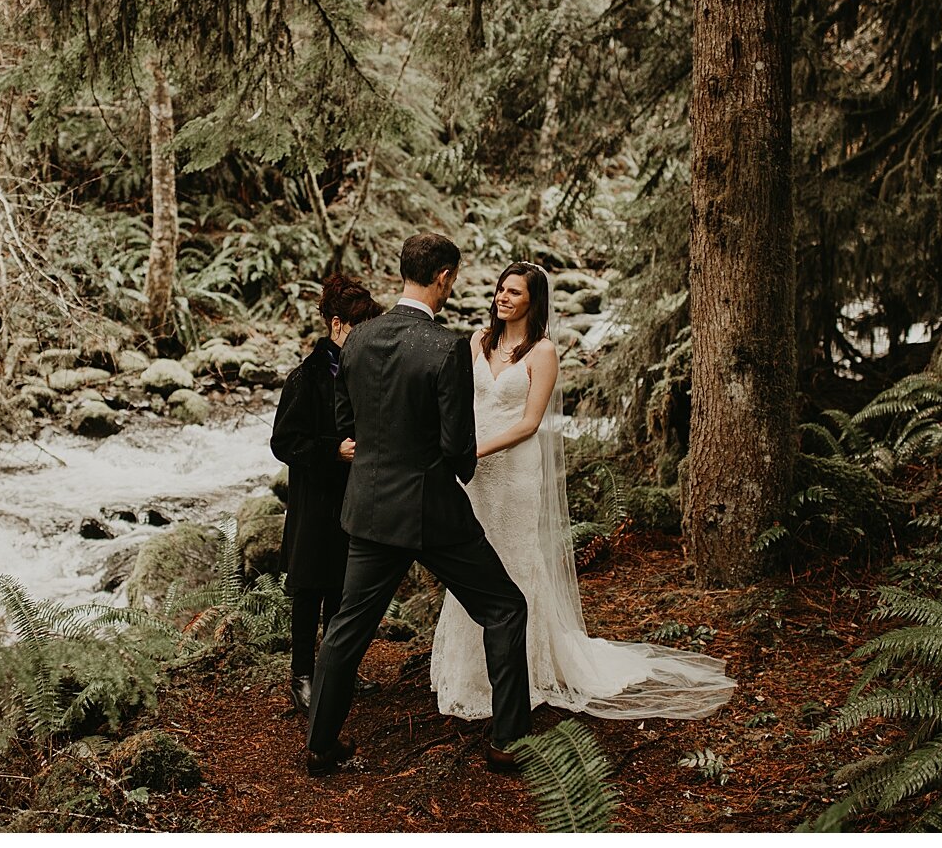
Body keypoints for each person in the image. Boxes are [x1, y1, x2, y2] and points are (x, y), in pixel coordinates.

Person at [429, 262, 735, 722]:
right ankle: (467, 670)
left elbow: (531, 423)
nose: (503, 298)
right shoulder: (477, 341)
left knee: (512, 560)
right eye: (500, 290)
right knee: (472, 559)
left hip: (511, 469)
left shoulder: (543, 352)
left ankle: (524, 670)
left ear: (534, 301)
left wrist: (475, 451)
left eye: (514, 292)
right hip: (473, 473)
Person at [305, 233, 532, 776]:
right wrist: (459, 469)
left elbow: (345, 424)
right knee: (504, 608)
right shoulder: (446, 345)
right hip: (432, 512)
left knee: (346, 629)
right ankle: (508, 741)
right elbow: (457, 446)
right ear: (445, 278)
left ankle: (319, 746)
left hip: (370, 508)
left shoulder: (357, 339)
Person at [271, 274, 384, 716]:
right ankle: (301, 676)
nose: (365, 334)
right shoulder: (305, 377)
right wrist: (331, 450)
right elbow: (283, 443)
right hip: (315, 502)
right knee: (310, 591)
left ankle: (340, 670)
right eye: (359, 325)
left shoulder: (365, 369)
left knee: (345, 589)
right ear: (336, 325)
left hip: (356, 498)